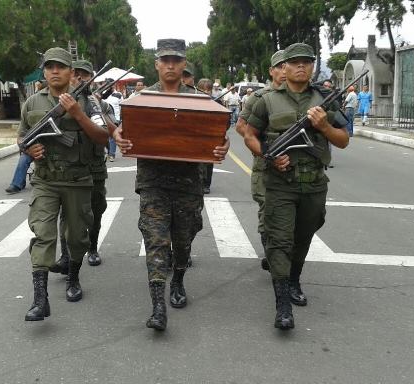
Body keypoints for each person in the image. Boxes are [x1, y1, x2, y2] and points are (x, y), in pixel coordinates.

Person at [113, 39, 229, 331]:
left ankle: (177, 279)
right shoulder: (141, 99)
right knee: (155, 240)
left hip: (189, 182)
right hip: (153, 181)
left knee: (183, 240)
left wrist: (221, 147)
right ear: (156, 64)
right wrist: (118, 135)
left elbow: (218, 135)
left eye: (176, 60)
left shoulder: (201, 101)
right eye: (165, 60)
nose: (170, 65)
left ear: (184, 64)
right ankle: (157, 306)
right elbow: (124, 129)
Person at [244, 43, 349, 330]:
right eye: (294, 62)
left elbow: (343, 140)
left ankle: (294, 280)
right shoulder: (266, 100)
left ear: (313, 66)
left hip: (314, 183)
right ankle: (282, 305)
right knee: (280, 240)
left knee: (302, 237)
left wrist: (325, 126)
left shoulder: (326, 99)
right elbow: (249, 135)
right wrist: (267, 153)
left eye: (307, 62)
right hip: (279, 183)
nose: (301, 66)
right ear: (284, 68)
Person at [20, 47, 109, 322]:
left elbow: (104, 137)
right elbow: (22, 136)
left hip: (79, 181)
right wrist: (29, 150)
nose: (54, 71)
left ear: (71, 72)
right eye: (49, 67)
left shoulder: (90, 102)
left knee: (76, 237)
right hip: (45, 181)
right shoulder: (32, 103)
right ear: (44, 72)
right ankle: (40, 299)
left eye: (60, 67)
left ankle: (73, 278)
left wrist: (77, 113)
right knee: (43, 234)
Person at [52, 59, 115, 272]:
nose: (79, 78)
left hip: (95, 167)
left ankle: (93, 248)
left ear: (91, 78)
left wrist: (92, 107)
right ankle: (65, 255)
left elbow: (109, 133)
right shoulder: (57, 103)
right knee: (67, 213)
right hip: (70, 169)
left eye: (84, 74)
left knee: (96, 209)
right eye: (76, 73)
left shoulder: (100, 104)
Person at [235, 49, 286, 272]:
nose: (285, 71)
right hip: (265, 163)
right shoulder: (259, 97)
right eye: (279, 67)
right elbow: (241, 127)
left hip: (295, 165)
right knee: (268, 209)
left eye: (288, 66)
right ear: (271, 71)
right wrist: (263, 146)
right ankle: (272, 252)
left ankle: (282, 252)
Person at [104, 83, 122, 162]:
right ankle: (108, 152)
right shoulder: (103, 94)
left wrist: (121, 118)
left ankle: (112, 154)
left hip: (116, 118)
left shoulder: (118, 94)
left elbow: (121, 105)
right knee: (106, 136)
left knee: (112, 137)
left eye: (110, 85)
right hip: (105, 118)